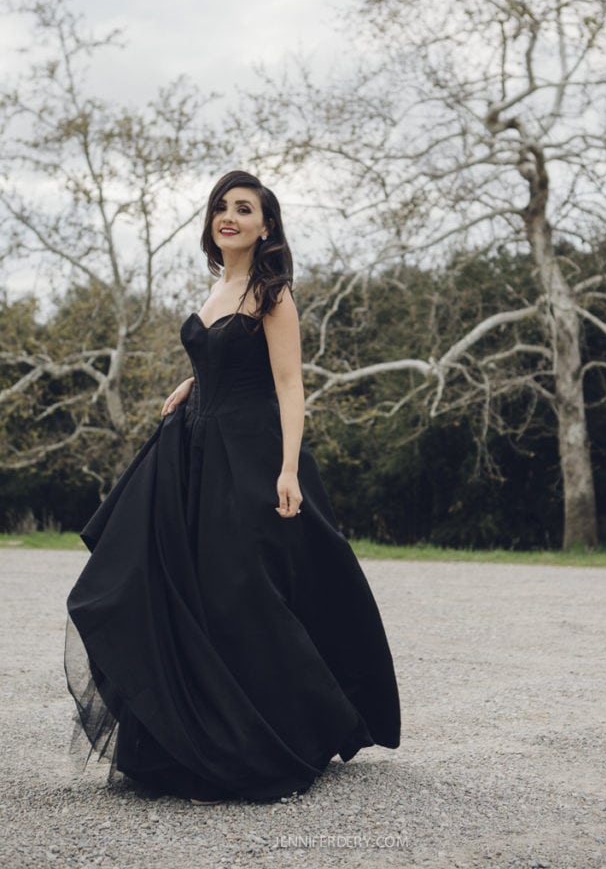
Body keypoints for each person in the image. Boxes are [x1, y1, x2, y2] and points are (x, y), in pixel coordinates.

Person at [65, 170, 401, 804]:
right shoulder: (219, 285)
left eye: (243, 208)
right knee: (161, 585)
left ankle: (274, 734)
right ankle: (182, 735)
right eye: (221, 206)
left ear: (264, 226)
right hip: (191, 450)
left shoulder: (274, 294)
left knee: (242, 592)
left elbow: (288, 384)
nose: (229, 216)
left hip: (249, 454)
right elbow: (224, 354)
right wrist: (194, 381)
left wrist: (287, 469)